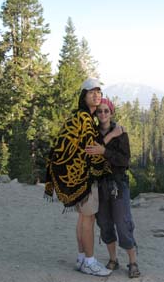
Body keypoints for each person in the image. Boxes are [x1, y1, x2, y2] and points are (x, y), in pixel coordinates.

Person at [44, 78, 120, 277]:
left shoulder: (80, 116)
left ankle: (80, 258)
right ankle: (89, 261)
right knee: (88, 219)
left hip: (75, 177)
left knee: (82, 219)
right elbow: (92, 149)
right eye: (91, 92)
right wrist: (112, 137)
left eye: (98, 92)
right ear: (83, 97)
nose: (96, 95)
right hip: (84, 177)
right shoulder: (85, 119)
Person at [85, 98, 141, 279]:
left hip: (118, 184)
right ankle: (113, 259)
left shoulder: (121, 134)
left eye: (106, 111)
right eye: (99, 111)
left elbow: (124, 161)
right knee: (105, 223)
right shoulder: (93, 133)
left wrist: (105, 152)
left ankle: (133, 262)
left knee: (123, 224)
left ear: (111, 112)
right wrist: (109, 140)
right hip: (99, 184)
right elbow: (91, 153)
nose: (102, 114)